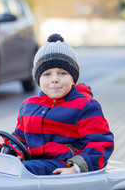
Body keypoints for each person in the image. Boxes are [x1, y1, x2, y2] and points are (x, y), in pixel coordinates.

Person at [12, 33, 114, 175]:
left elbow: (100, 142)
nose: (54, 79)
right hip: (34, 161)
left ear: (73, 79)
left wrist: (76, 168)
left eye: (62, 73)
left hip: (64, 163)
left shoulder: (85, 107)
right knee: (2, 167)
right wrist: (12, 152)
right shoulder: (28, 106)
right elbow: (19, 138)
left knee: (23, 170)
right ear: (38, 80)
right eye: (47, 74)